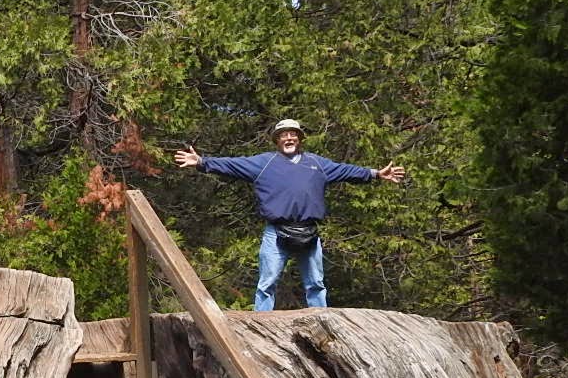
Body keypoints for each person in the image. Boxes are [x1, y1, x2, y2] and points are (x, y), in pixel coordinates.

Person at [173, 119, 405, 311]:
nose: (289, 138)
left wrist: (375, 173)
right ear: (277, 140)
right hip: (276, 231)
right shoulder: (264, 163)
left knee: (316, 283)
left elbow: (346, 170)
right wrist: (202, 162)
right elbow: (233, 165)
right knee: (267, 283)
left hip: (309, 231)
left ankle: (322, 320)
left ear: (300, 139)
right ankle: (261, 325)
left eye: (293, 134)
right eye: (283, 135)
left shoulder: (317, 163)